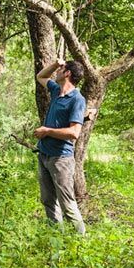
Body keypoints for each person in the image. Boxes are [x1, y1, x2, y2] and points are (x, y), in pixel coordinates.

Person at [34, 59, 87, 235]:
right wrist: (57, 64)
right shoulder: (56, 91)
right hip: (44, 155)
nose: (57, 72)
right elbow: (40, 76)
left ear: (67, 73)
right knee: (48, 200)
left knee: (67, 204)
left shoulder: (77, 99)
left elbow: (74, 133)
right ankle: (56, 239)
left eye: (61, 69)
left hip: (61, 159)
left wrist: (47, 131)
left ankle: (82, 241)